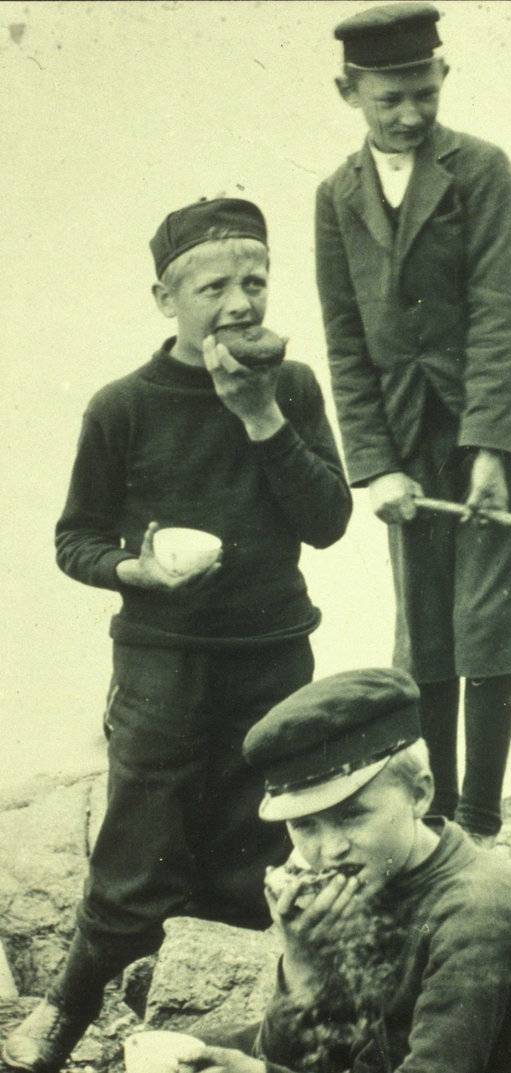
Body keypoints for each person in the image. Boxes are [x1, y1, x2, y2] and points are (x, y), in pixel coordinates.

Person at [3, 198, 353, 1073]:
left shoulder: (294, 386)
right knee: (134, 860)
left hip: (275, 657)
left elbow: (329, 520)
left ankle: (220, 1045)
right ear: (165, 296)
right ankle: (69, 1012)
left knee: (257, 855)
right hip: (160, 664)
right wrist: (138, 572)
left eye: (255, 282)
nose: (239, 303)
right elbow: (74, 537)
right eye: (214, 286)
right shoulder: (123, 405)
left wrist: (260, 415)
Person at [314, 2, 511, 846]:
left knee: (489, 616)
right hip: (405, 436)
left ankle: (483, 820)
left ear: (442, 78)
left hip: (505, 423)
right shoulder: (335, 197)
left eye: (423, 93)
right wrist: (375, 467)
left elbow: (508, 311)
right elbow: (346, 343)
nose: (410, 114)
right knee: (423, 625)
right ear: (348, 91)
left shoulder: (484, 171)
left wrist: (491, 449)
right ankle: (435, 816)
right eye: (389, 99)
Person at [186, 667, 511, 1073]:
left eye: (351, 815)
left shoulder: (476, 912)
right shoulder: (371, 874)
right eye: (305, 825)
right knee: (191, 1052)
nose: (330, 851)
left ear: (420, 793)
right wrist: (303, 966)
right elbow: (308, 1057)